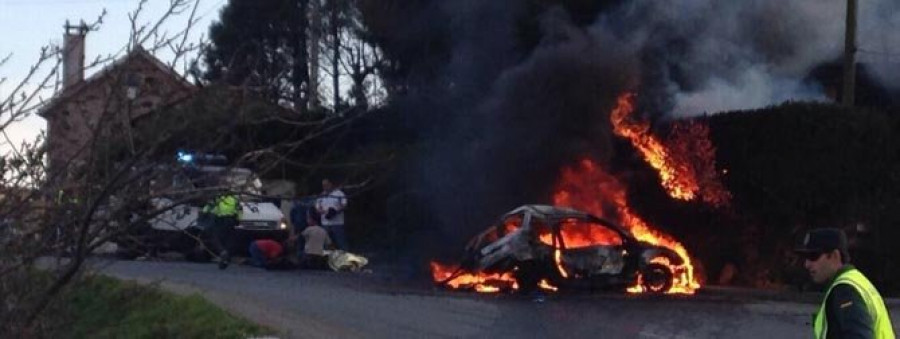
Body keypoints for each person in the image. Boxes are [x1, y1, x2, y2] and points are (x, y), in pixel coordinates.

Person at [795, 228, 895, 339]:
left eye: (813, 256)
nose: (807, 264)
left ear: (835, 256)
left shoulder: (845, 290)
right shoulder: (857, 281)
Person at [203, 192, 241, 269]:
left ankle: (223, 253)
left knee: (215, 239)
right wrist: (238, 220)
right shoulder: (235, 199)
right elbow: (239, 210)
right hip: (231, 221)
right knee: (228, 240)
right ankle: (226, 258)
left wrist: (206, 210)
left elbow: (206, 210)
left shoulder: (218, 199)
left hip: (220, 221)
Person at [315, 178, 348, 250]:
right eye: (323, 185)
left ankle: (345, 258)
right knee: (326, 243)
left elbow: (344, 205)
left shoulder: (339, 193)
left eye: (327, 184)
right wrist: (324, 212)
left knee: (341, 242)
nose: (325, 186)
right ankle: (328, 258)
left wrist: (335, 211)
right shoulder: (321, 195)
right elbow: (317, 208)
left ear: (331, 184)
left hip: (337, 223)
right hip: (325, 223)